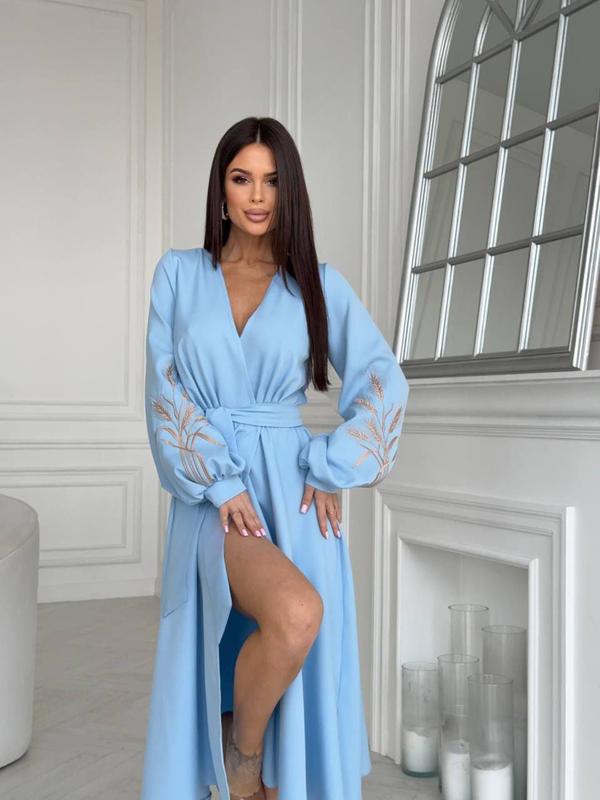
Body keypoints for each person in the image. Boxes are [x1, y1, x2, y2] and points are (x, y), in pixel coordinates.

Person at [140, 116, 410, 800]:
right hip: (212, 492)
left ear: (289, 192)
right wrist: (219, 480)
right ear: (221, 188)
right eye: (242, 179)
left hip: (291, 489)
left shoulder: (316, 283)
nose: (257, 196)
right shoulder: (179, 275)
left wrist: (331, 464)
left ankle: (248, 754)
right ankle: (242, 763)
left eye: (272, 180)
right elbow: (164, 388)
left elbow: (383, 379)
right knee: (289, 612)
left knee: (297, 623)